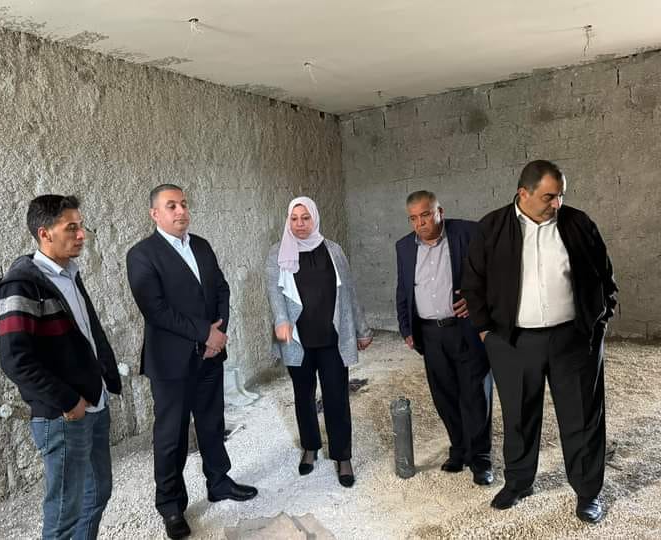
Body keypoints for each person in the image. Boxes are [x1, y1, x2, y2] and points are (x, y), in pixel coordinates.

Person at [462, 160, 618, 523]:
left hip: (574, 340)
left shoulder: (578, 224)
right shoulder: (491, 228)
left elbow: (604, 275)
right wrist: (486, 332)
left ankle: (587, 492)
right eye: (549, 196)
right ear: (524, 193)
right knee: (518, 416)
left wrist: (599, 321)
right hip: (513, 342)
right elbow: (473, 283)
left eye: (561, 195)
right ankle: (518, 482)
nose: (557, 203)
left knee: (582, 416)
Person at [126, 184, 257, 540]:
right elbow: (155, 310)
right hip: (171, 363)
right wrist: (204, 334)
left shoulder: (200, 245)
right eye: (171, 206)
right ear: (155, 214)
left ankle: (219, 482)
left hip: (210, 356)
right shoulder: (142, 255)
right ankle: (171, 506)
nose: (181, 211)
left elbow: (221, 289)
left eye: (183, 204)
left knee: (212, 423)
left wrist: (219, 333)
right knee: (172, 436)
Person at [0, 195, 122, 539]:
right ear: (44, 233)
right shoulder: (22, 285)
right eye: (71, 228)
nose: (81, 235)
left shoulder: (69, 274)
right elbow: (15, 359)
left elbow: (87, 335)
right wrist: (68, 401)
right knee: (65, 515)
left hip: (94, 404)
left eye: (81, 226)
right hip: (64, 416)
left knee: (97, 494)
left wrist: (104, 381)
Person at [265, 196, 373, 488]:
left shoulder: (333, 250)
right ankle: (310, 447)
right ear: (288, 221)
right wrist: (281, 320)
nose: (300, 224)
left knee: (337, 397)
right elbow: (274, 293)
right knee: (303, 396)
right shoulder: (278, 253)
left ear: (315, 218)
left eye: (305, 218)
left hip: (332, 338)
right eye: (294, 218)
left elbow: (349, 292)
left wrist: (362, 330)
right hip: (297, 340)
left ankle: (342, 455)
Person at [395, 190, 494, 486]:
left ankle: (481, 458)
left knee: (475, 394)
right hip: (430, 333)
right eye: (414, 218)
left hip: (465, 329)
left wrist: (479, 301)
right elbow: (404, 289)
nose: (420, 223)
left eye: (426, 215)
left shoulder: (468, 233)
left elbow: (498, 272)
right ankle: (459, 449)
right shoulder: (404, 247)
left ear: (440, 211)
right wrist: (406, 328)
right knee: (444, 396)